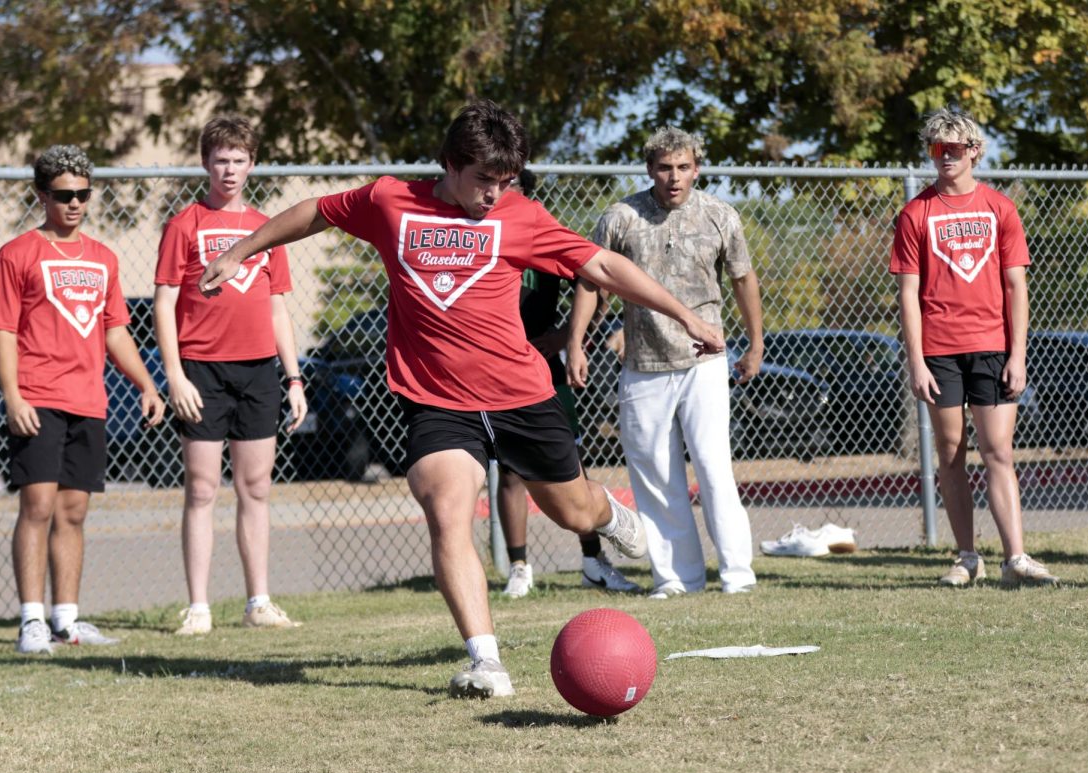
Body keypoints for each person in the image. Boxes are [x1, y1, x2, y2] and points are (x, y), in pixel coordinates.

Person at [198, 99, 725, 699]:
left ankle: (609, 514)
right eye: (483, 180)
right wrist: (242, 250)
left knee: (573, 512)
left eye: (505, 181)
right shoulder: (390, 201)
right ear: (449, 164)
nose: (495, 194)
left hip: (520, 393)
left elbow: (601, 264)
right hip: (436, 399)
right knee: (447, 508)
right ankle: (486, 660)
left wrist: (683, 314)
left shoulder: (520, 215)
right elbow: (313, 213)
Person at [0, 145, 166, 654]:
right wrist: (13, 395)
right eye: (64, 195)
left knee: (74, 512)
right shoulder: (16, 254)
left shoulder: (104, 257)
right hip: (37, 396)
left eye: (84, 194)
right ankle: (31, 622)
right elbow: (3, 332)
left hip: (88, 399)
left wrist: (147, 385)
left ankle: (67, 619)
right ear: (42, 195)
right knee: (37, 506)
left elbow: (115, 332)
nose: (75, 204)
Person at [567, 126, 763, 599]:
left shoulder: (720, 215)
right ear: (649, 169)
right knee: (655, 474)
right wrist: (577, 343)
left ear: (696, 168)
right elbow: (591, 282)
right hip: (643, 363)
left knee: (714, 467)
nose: (673, 177)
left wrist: (755, 342)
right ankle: (677, 579)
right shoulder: (620, 217)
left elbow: (742, 278)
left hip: (705, 363)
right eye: (663, 168)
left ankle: (737, 575)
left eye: (682, 167)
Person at [889, 108, 1058, 588]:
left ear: (974, 153)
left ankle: (1016, 558)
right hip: (940, 350)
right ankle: (967, 557)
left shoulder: (1000, 208)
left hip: (993, 345)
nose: (944, 157)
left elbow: (1016, 287)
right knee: (950, 452)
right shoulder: (915, 212)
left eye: (954, 149)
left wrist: (1018, 354)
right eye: (936, 149)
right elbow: (908, 293)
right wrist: (916, 360)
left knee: (998, 450)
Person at [153, 116, 308, 635]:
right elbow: (165, 299)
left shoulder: (268, 228)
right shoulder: (185, 225)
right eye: (221, 159)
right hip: (201, 371)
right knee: (201, 489)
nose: (229, 169)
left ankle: (257, 602)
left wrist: (294, 379)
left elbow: (278, 309)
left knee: (256, 487)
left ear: (252, 165)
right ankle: (198, 607)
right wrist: (174, 373)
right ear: (205, 163)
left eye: (239, 159)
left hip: (260, 371)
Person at [497, 169, 639, 598]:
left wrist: (569, 338)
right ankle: (519, 566)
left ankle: (594, 560)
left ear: (525, 195)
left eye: (509, 186)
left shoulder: (541, 233)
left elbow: (592, 277)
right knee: (508, 472)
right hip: (489, 369)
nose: (498, 195)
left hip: (539, 366)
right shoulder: (469, 235)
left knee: (568, 464)